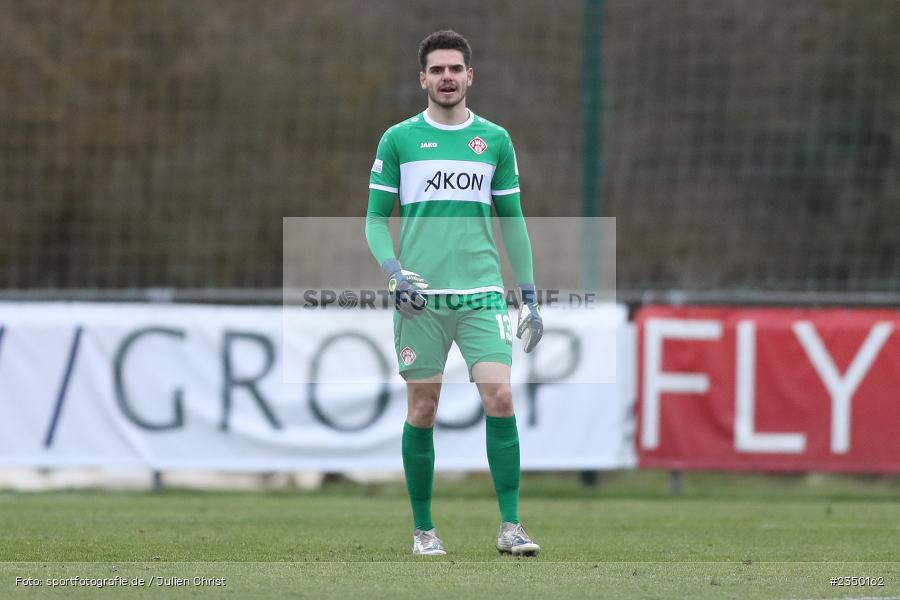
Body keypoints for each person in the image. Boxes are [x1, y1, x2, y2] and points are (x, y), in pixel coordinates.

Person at [365, 30, 543, 557]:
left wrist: (529, 296)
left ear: (470, 76)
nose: (447, 77)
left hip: (482, 295)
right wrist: (394, 272)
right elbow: (376, 220)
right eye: (437, 70)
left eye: (455, 69)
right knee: (423, 408)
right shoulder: (398, 139)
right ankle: (424, 531)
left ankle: (511, 526)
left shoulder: (495, 140)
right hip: (419, 298)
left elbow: (513, 223)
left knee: (502, 396)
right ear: (423, 78)